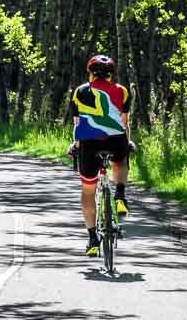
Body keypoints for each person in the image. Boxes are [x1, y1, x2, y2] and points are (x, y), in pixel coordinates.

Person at [66, 54, 135, 257]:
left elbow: (78, 123)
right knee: (120, 160)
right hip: (115, 140)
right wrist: (127, 142)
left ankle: (92, 238)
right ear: (111, 74)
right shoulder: (121, 91)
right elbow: (124, 123)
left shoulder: (80, 91)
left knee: (88, 190)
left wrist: (76, 145)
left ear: (90, 72)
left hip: (89, 142)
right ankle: (120, 194)